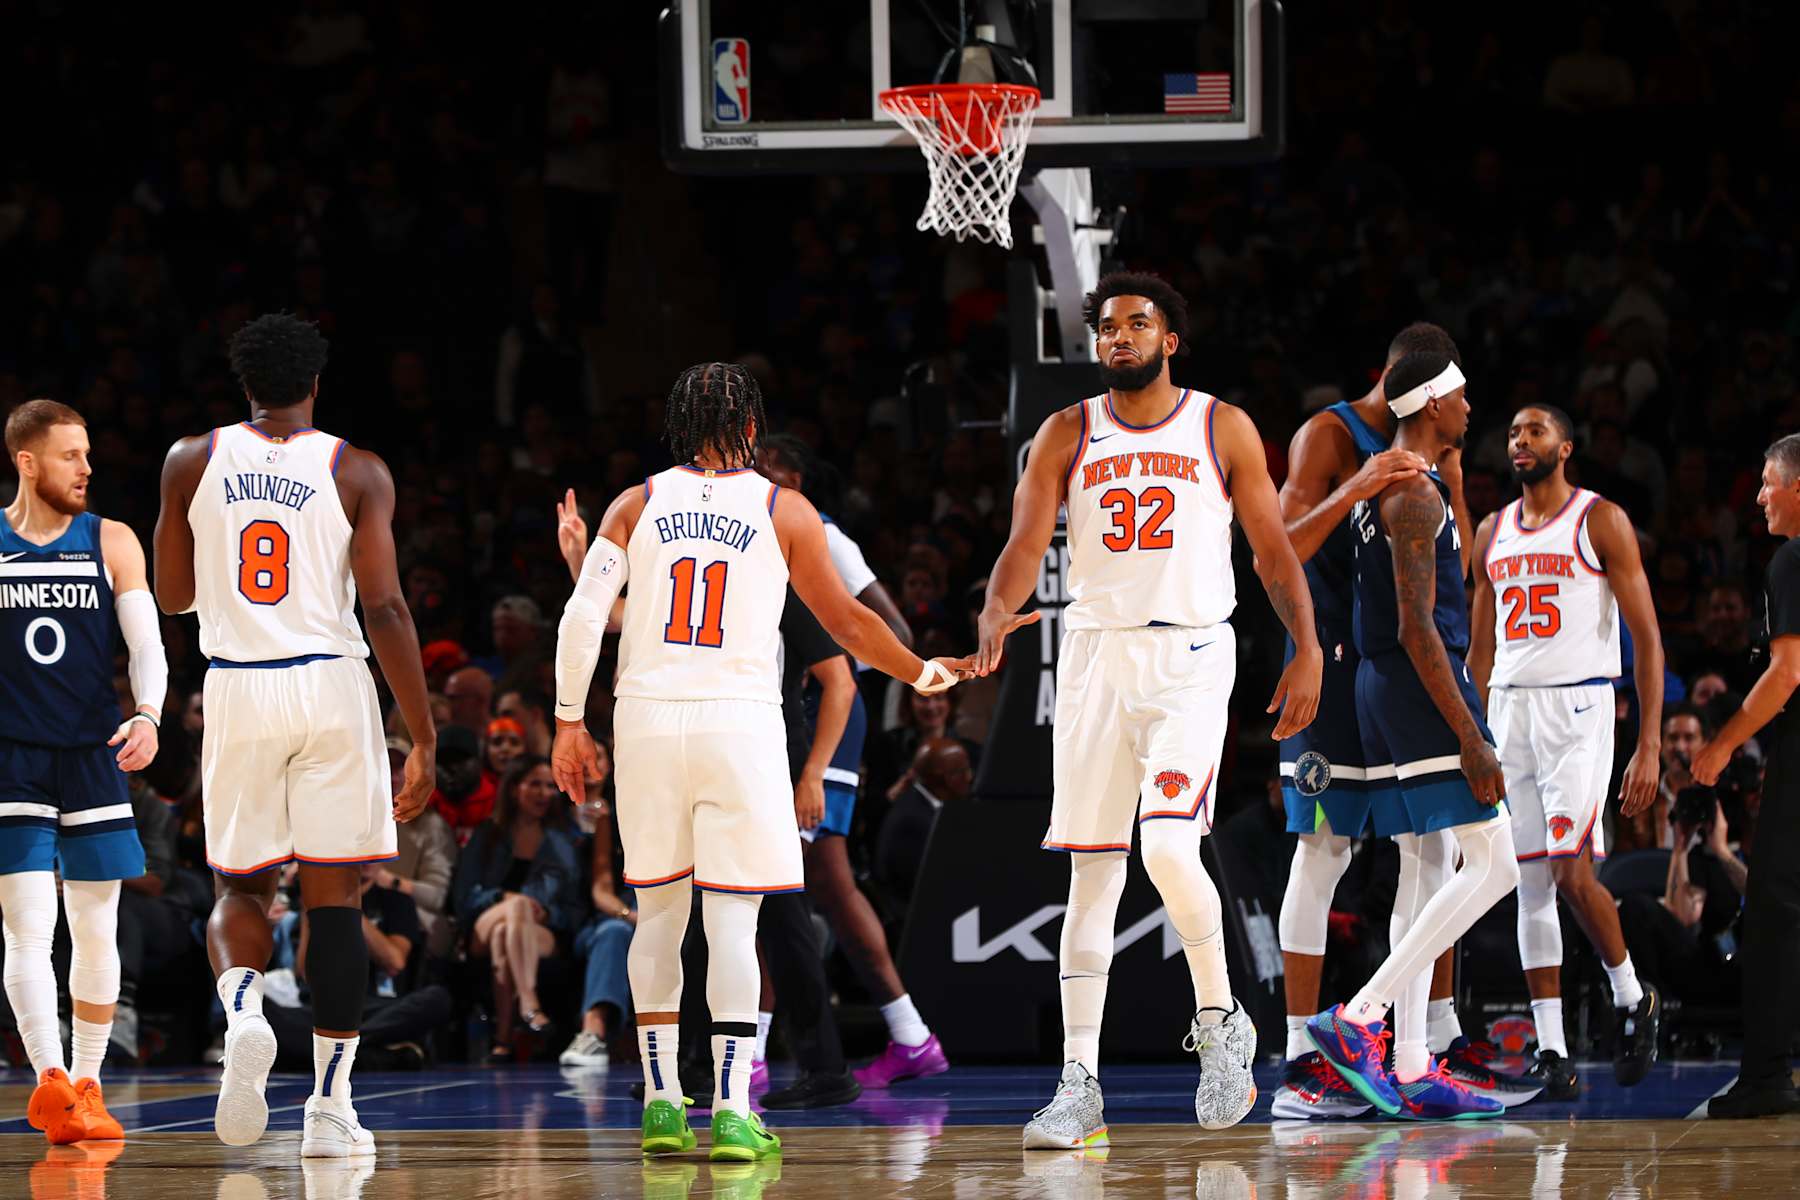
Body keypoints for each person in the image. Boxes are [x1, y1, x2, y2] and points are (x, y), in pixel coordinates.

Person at [550, 362, 970, 1163]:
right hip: (739, 727)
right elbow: (847, 620)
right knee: (735, 920)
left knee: (660, 918)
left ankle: (664, 1104)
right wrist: (923, 670)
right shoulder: (786, 509)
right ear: (750, 430)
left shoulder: (633, 504)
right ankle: (734, 1113)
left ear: (677, 428)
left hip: (645, 723)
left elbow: (584, 617)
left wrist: (569, 724)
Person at [975, 272, 1323, 1147]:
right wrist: (992, 610)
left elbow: (1274, 554)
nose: (1119, 337)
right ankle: (1078, 1084)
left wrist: (1308, 648)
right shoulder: (1065, 432)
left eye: (1138, 324)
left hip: (1192, 653)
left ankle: (1221, 1020)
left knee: (1168, 844)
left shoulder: (1221, 425)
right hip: (1095, 656)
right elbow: (1025, 543)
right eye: (1107, 328)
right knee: (1092, 877)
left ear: (1171, 340)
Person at [153, 313, 437, 1157]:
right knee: (336, 901)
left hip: (239, 684)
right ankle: (328, 1110)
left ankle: (243, 1009)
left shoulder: (189, 459)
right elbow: (384, 607)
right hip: (330, 684)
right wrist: (418, 732)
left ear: (245, 385)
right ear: (316, 382)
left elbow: (173, 596)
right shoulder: (358, 470)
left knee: (241, 891)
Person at [1269, 323, 1516, 1119]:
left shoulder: (1426, 466)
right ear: (1426, 390)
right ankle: (1310, 1051)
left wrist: (1448, 477)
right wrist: (1305, 649)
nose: (1473, 407)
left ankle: (1417, 1054)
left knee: (1427, 855)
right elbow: (1276, 553)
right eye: (1462, 391)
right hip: (1341, 667)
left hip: (1387, 667)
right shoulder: (1333, 437)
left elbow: (1458, 574)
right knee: (1325, 848)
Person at [1467, 403, 1664, 1099]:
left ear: (1566, 446)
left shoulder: (1599, 519)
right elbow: (1480, 644)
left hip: (1580, 707)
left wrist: (1649, 744)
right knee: (1531, 881)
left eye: (1535, 431)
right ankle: (1551, 1047)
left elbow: (1646, 634)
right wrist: (1476, 729)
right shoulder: (1493, 530)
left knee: (1571, 872)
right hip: (1510, 711)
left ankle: (1630, 996)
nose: (1521, 441)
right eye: (1513, 432)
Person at [1, 399, 166, 1145]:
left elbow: (147, 643)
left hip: (93, 754)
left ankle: (91, 1085)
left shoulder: (114, 539)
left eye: (89, 454)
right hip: (14, 760)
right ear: (27, 461)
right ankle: (51, 1083)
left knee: (96, 927)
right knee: (28, 930)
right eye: (71, 455)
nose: (87, 468)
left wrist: (150, 713)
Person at [780, 584, 931, 1096]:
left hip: (820, 712)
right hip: (784, 713)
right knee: (803, 886)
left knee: (784, 888)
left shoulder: (809, 529)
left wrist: (923, 673)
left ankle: (752, 1056)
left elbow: (879, 627)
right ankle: (909, 1032)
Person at [1692, 433, 1800, 1118]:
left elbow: (1787, 673)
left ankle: (1765, 1077)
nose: (1758, 496)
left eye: (1768, 482)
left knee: (1774, 913)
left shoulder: (1793, 559)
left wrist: (1722, 746)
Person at [451, 755, 587, 1060]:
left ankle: (503, 1039)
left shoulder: (561, 842)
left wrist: (549, 913)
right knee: (515, 909)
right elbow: (464, 898)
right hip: (481, 925)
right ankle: (529, 1004)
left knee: (506, 932)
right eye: (535, 784)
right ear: (514, 789)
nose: (544, 793)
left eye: (551, 786)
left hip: (541, 930)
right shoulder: (488, 835)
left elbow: (575, 908)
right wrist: (502, 898)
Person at [376, 736, 457, 960]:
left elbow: (436, 896)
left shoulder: (432, 827)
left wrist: (386, 880)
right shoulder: (356, 816)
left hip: (413, 917)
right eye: (384, 764)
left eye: (398, 767)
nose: (391, 775)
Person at [875, 737, 972, 907]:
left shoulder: (925, 805)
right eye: (963, 770)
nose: (970, 777)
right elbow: (924, 887)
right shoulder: (914, 822)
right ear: (946, 779)